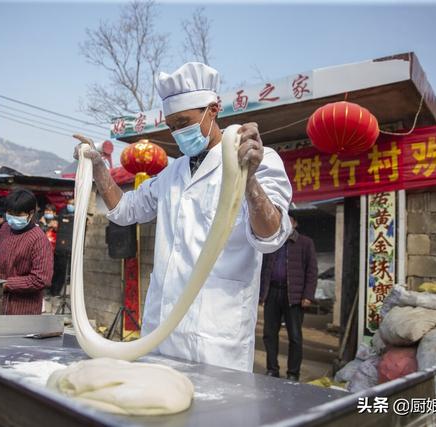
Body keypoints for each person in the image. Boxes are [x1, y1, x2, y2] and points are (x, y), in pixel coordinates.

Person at [73, 62, 293, 372]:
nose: (178, 132)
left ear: (213, 109)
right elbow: (125, 210)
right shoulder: (172, 173)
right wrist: (98, 167)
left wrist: (250, 180)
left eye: (184, 122)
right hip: (160, 329)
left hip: (214, 335)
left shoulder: (260, 160)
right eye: (173, 125)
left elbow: (271, 237)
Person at [259, 216, 318, 381]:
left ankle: (293, 373)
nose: (286, 223)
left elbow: (312, 272)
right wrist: (262, 294)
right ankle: (272, 369)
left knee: (295, 336)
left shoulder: (306, 243)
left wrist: (308, 296)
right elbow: (265, 270)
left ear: (295, 224)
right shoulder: (273, 243)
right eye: (283, 219)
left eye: (289, 220)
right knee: (269, 334)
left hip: (294, 296)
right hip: (273, 293)